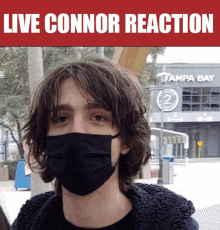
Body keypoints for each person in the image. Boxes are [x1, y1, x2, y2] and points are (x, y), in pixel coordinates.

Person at [11, 55, 199, 230]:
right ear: (45, 138)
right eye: (61, 118)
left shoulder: (173, 224)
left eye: (98, 117)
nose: (77, 129)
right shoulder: (26, 224)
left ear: (125, 139)